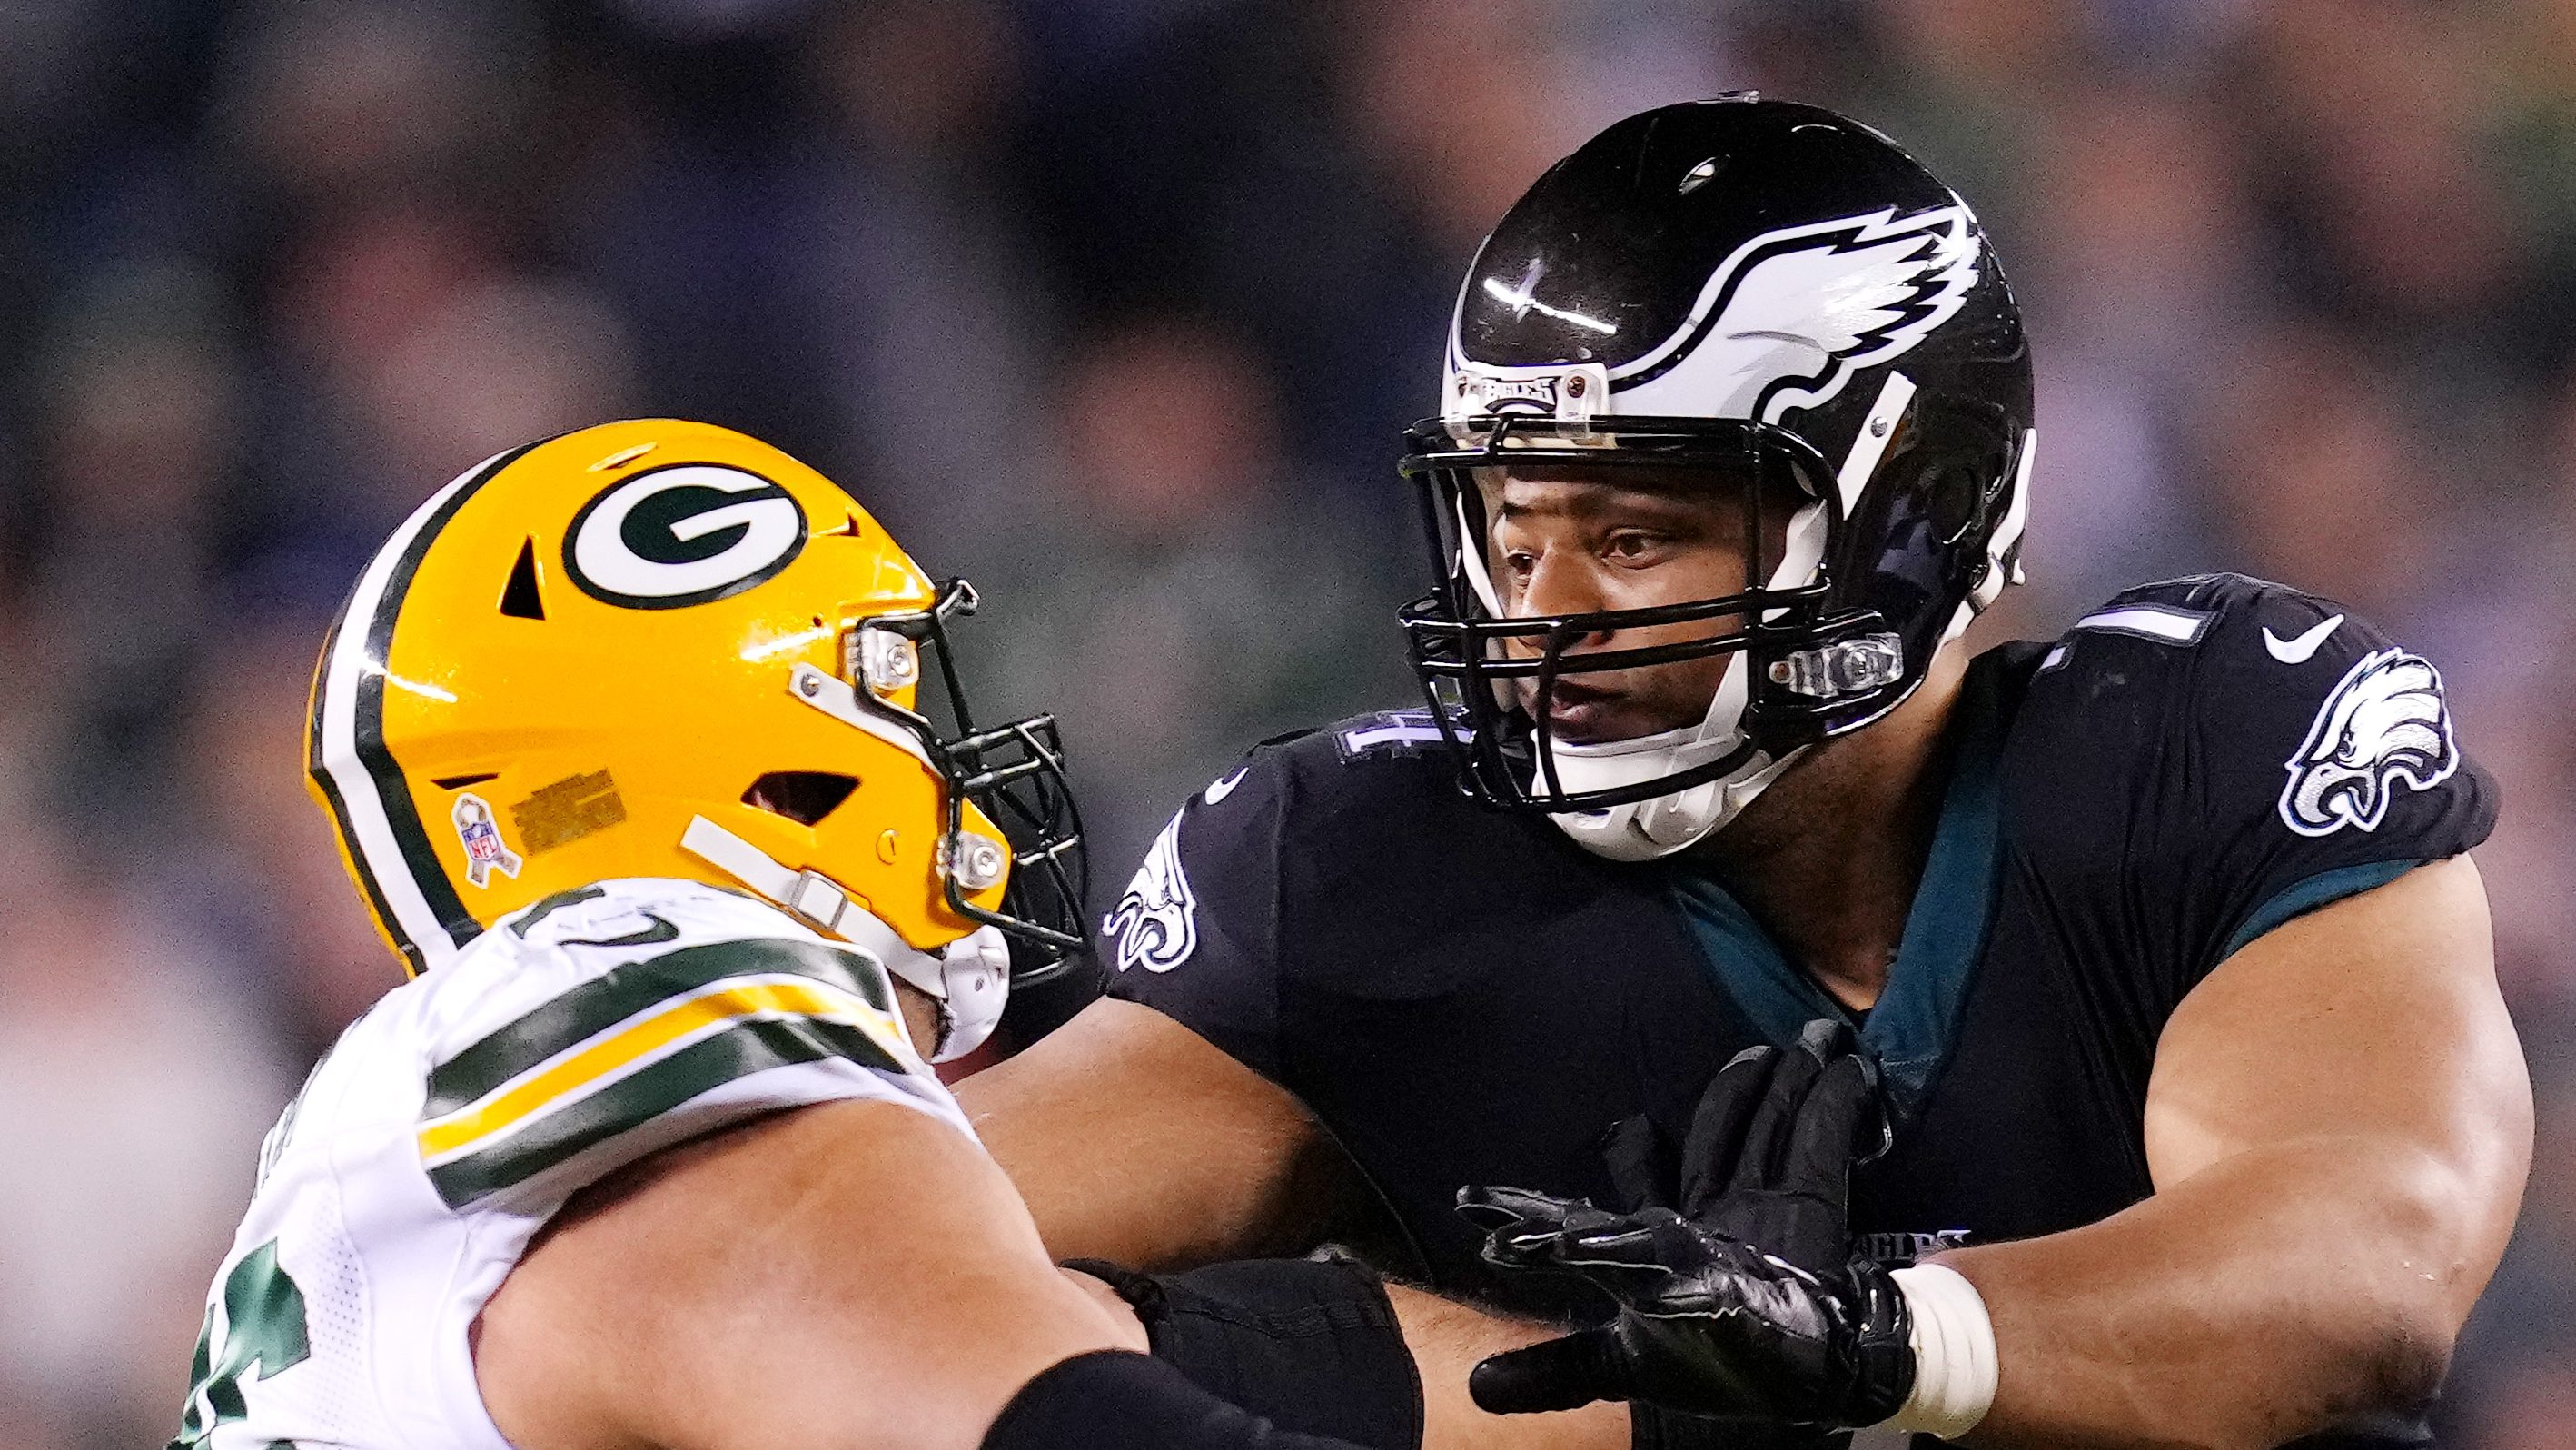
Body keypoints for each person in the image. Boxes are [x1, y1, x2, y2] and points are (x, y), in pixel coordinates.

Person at [959, 97, 2532, 1449]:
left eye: (1634, 540)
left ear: (1913, 507)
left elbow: (2368, 1270)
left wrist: (1872, 1345)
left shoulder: (2202, 752)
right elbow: (881, 1271)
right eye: (1514, 538)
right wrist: (1629, 1414)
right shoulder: (1366, 874)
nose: (1548, 623)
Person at [171, 420, 1402, 1450]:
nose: (951, 765)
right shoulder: (652, 961)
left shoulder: (448, 1107)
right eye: (896, 695)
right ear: (772, 775)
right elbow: (1040, 1420)